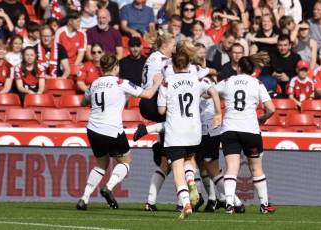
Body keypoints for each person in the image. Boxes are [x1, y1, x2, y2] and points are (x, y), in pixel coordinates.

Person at [76, 54, 163, 211]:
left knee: (101, 164)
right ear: (116, 68)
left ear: (101, 68)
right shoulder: (121, 82)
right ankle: (108, 187)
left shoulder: (94, 83)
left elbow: (83, 102)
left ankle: (84, 198)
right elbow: (148, 95)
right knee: (126, 161)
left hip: (93, 129)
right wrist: (156, 83)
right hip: (112, 128)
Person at [157, 50, 222, 219]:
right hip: (194, 131)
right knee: (190, 160)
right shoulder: (197, 79)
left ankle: (185, 202)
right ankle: (192, 181)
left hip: (175, 131)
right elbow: (214, 91)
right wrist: (218, 113)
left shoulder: (166, 83)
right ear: (188, 64)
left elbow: (161, 110)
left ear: (172, 65)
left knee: (177, 169)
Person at [216, 56, 276, 214]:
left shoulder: (228, 81)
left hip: (229, 128)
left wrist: (217, 108)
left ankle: (229, 204)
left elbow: (210, 92)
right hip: (250, 129)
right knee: (256, 169)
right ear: (253, 71)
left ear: (238, 68)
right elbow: (271, 109)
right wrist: (263, 118)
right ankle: (264, 205)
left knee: (231, 168)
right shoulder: (257, 83)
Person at [139, 32, 176, 122]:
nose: (175, 50)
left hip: (145, 101)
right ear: (164, 46)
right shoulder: (163, 60)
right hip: (153, 101)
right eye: (174, 46)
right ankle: (146, 130)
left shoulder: (153, 56)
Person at [54, 10, 87, 75]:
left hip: (75, 64)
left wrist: (74, 67)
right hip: (62, 64)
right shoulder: (60, 32)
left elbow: (81, 53)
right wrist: (66, 67)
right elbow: (56, 52)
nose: (79, 23)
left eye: (80, 21)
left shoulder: (82, 33)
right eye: (77, 21)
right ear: (70, 21)